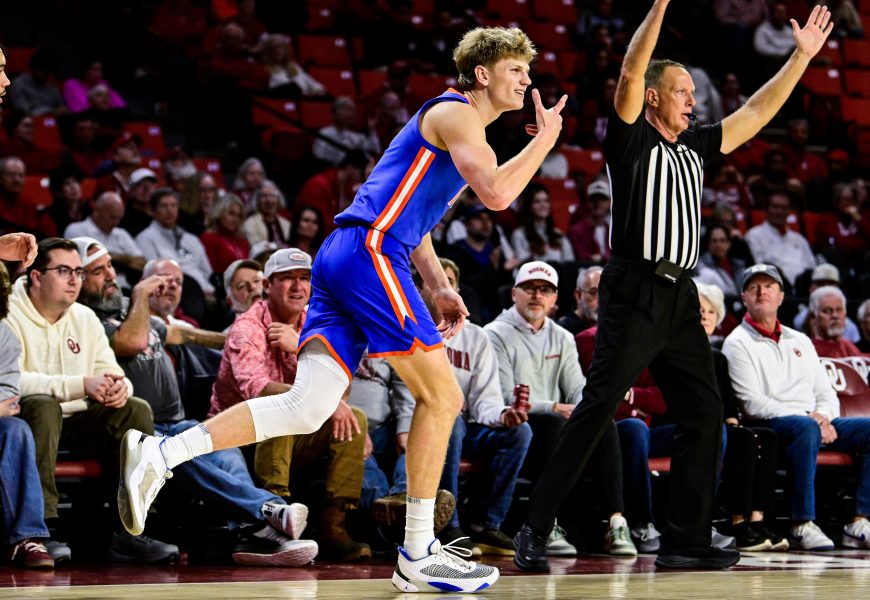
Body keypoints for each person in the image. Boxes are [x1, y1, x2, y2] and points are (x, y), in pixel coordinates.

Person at [120, 25, 568, 594]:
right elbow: (499, 196)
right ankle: (418, 552)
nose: (527, 80)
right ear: (483, 74)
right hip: (370, 253)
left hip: (351, 252)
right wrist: (545, 140)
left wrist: (437, 283)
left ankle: (162, 452)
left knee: (306, 406)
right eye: (516, 70)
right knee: (443, 397)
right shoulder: (458, 114)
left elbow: (414, 216)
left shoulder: (456, 125)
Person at [513, 1, 835, 573]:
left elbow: (757, 111)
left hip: (682, 295)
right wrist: (660, 3)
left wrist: (801, 59)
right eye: (681, 91)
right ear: (654, 98)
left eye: (692, 92)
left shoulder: (697, 146)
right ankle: (535, 527)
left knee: (705, 415)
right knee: (598, 407)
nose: (693, 99)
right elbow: (631, 71)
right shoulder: (631, 140)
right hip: (635, 287)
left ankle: (685, 539)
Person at [6, 237, 178, 563]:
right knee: (43, 405)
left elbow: (111, 371)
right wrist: (81, 384)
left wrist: (121, 387)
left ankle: (131, 530)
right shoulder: (9, 313)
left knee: (134, 409)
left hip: (78, 422)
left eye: (79, 272)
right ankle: (41, 531)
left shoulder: (84, 317)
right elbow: (12, 380)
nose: (74, 280)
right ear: (36, 276)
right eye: (64, 271)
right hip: (25, 421)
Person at [208, 249, 371, 562]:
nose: (298, 286)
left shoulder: (315, 322)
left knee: (356, 419)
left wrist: (300, 346)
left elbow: (343, 381)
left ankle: (334, 527)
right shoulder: (247, 327)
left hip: (287, 439)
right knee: (281, 406)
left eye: (305, 278)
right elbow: (257, 390)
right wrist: (324, 399)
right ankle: (276, 517)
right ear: (267, 285)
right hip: (236, 440)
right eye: (287, 278)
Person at [486, 261, 635, 558]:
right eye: (529, 288)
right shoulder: (494, 334)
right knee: (551, 424)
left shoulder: (563, 337)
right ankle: (545, 524)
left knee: (602, 421)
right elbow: (503, 395)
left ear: (555, 298)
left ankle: (616, 522)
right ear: (514, 293)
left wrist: (587, 407)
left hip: (557, 421)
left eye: (545, 290)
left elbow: (577, 387)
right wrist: (554, 406)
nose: (537, 295)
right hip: (516, 423)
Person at [723, 264, 870, 550]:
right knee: (804, 428)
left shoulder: (800, 339)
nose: (762, 292)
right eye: (754, 287)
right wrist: (810, 420)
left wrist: (824, 417)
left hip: (812, 421)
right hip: (769, 424)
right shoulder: (736, 342)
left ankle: (858, 521)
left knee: (867, 429)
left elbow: (825, 392)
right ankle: (800, 523)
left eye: (769, 286)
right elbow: (751, 402)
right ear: (743, 298)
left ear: (781, 297)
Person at [696, 283, 786, 552]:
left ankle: (757, 520)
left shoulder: (717, 357)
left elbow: (728, 404)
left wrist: (731, 422)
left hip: (718, 426)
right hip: (690, 426)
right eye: (699, 311)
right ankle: (737, 521)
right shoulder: (678, 352)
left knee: (765, 437)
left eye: (711, 312)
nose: (705, 316)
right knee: (742, 440)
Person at [135, 188, 215, 297]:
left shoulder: (191, 239)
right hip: (173, 293)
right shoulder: (145, 238)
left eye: (173, 205)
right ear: (153, 211)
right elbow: (153, 275)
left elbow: (208, 272)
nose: (169, 210)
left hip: (207, 292)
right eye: (164, 206)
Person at [64, 191, 146, 290]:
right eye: (112, 217)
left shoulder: (121, 234)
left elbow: (142, 263)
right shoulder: (76, 230)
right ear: (97, 210)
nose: (116, 223)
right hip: (93, 289)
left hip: (124, 288)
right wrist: (126, 262)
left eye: (119, 218)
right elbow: (88, 263)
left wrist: (116, 259)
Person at [744, 191, 816, 288]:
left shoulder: (799, 239)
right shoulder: (754, 235)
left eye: (784, 208)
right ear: (766, 210)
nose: (780, 212)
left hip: (803, 287)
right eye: (775, 207)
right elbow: (758, 267)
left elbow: (811, 266)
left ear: (789, 212)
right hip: (773, 286)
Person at [510, 183, 574, 265]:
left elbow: (569, 264)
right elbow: (523, 265)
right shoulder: (519, 235)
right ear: (528, 206)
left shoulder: (558, 234)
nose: (543, 205)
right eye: (537, 201)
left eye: (546, 201)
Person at [809, 285, 866, 359]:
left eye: (839, 310)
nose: (835, 316)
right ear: (814, 317)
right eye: (827, 311)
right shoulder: (809, 350)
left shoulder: (849, 347)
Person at [200, 194, 250, 276]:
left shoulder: (242, 241)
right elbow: (208, 271)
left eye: (239, 216)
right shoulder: (208, 239)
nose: (235, 219)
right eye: (231, 213)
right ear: (219, 213)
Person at [556, 266, 602, 336]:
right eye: (593, 293)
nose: (601, 300)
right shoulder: (561, 331)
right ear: (578, 295)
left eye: (605, 293)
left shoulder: (611, 326)